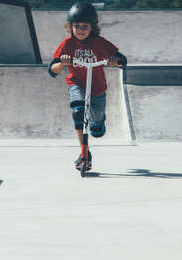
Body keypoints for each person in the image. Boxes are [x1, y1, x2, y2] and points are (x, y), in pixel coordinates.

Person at [48, 2, 127, 171]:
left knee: (97, 130)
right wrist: (62, 63)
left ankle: (98, 123)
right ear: (70, 26)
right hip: (76, 83)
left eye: (85, 26)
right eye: (76, 26)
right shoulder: (67, 44)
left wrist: (114, 62)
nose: (81, 30)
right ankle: (84, 152)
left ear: (92, 27)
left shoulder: (99, 43)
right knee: (78, 110)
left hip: (97, 87)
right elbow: (52, 70)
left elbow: (123, 61)